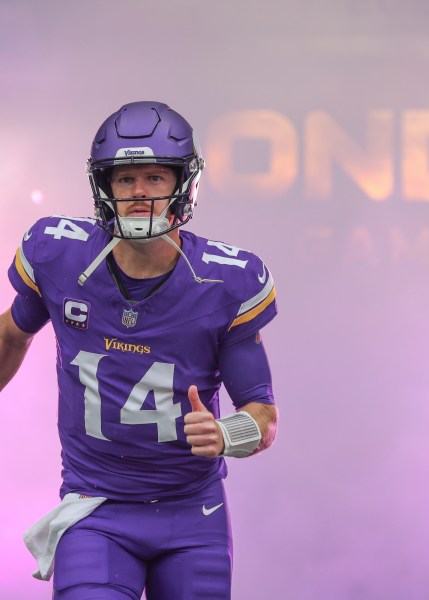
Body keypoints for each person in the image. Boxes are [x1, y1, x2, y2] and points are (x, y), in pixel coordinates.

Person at [0, 101, 278, 599]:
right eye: (125, 179)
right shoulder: (59, 254)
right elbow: (11, 334)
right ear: (103, 186)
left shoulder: (224, 280)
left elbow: (263, 415)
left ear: (183, 184)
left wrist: (225, 432)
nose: (140, 194)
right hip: (95, 507)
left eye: (154, 177)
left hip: (192, 513)